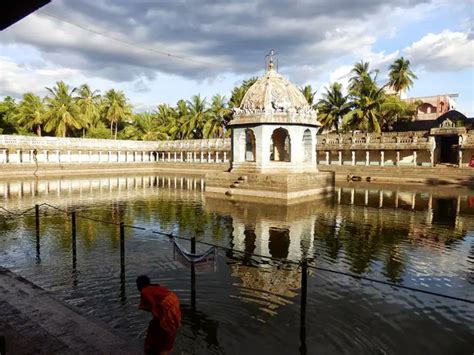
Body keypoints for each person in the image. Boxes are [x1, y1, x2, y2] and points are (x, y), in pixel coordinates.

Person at [136, 275, 181, 355]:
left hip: (167, 306)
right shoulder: (153, 287)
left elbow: (152, 304)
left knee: (167, 330)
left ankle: (164, 351)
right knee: (166, 327)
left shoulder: (145, 291)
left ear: (139, 285)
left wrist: (156, 314)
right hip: (173, 300)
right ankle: (161, 347)